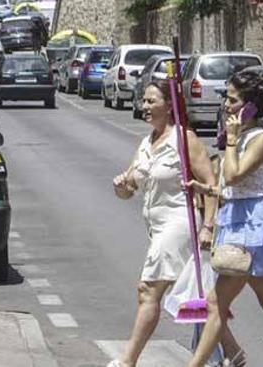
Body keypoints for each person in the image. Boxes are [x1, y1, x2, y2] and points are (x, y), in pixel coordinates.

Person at [110, 81, 244, 367]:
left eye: (150, 101)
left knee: (148, 290)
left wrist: (208, 225)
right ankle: (233, 352)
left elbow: (210, 183)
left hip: (180, 223)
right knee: (195, 294)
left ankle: (127, 361)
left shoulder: (184, 139)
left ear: (169, 106)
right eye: (143, 101)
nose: (144, 107)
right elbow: (130, 187)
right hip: (156, 225)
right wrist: (121, 185)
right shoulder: (147, 143)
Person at [185, 71, 263, 367]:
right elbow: (232, 185)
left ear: (250, 106)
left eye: (232, 99)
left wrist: (229, 139)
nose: (226, 105)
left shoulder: (261, 138)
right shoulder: (240, 138)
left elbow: (237, 173)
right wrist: (207, 188)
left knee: (218, 303)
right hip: (235, 217)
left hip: (252, 223)